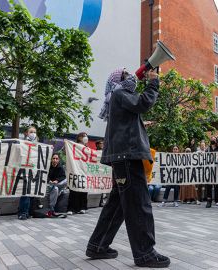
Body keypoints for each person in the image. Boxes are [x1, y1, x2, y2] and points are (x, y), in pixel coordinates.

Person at [85, 68, 170, 268]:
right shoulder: (120, 93)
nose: (130, 75)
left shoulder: (117, 97)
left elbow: (130, 117)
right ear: (117, 80)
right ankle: (145, 253)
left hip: (123, 157)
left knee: (118, 205)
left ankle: (97, 245)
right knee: (139, 204)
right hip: (127, 156)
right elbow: (143, 103)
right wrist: (153, 83)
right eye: (125, 74)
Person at [18, 126, 39, 220]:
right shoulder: (22, 143)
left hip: (34, 172)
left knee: (31, 193)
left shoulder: (38, 145)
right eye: (31, 132)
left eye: (34, 132)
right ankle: (22, 212)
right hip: (25, 171)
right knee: (25, 192)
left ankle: (27, 211)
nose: (33, 133)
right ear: (26, 133)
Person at [67, 132, 89, 215]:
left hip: (84, 172)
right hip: (75, 170)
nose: (86, 138)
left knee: (83, 190)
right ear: (79, 138)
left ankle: (82, 207)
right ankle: (71, 208)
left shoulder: (87, 149)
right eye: (84, 136)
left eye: (86, 136)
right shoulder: (74, 146)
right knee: (73, 190)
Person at [205, 137, 218, 209]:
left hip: (217, 169)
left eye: (214, 139)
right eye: (212, 139)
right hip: (209, 170)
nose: (213, 140)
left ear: (216, 141)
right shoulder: (207, 149)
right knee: (208, 186)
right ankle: (209, 201)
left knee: (217, 186)